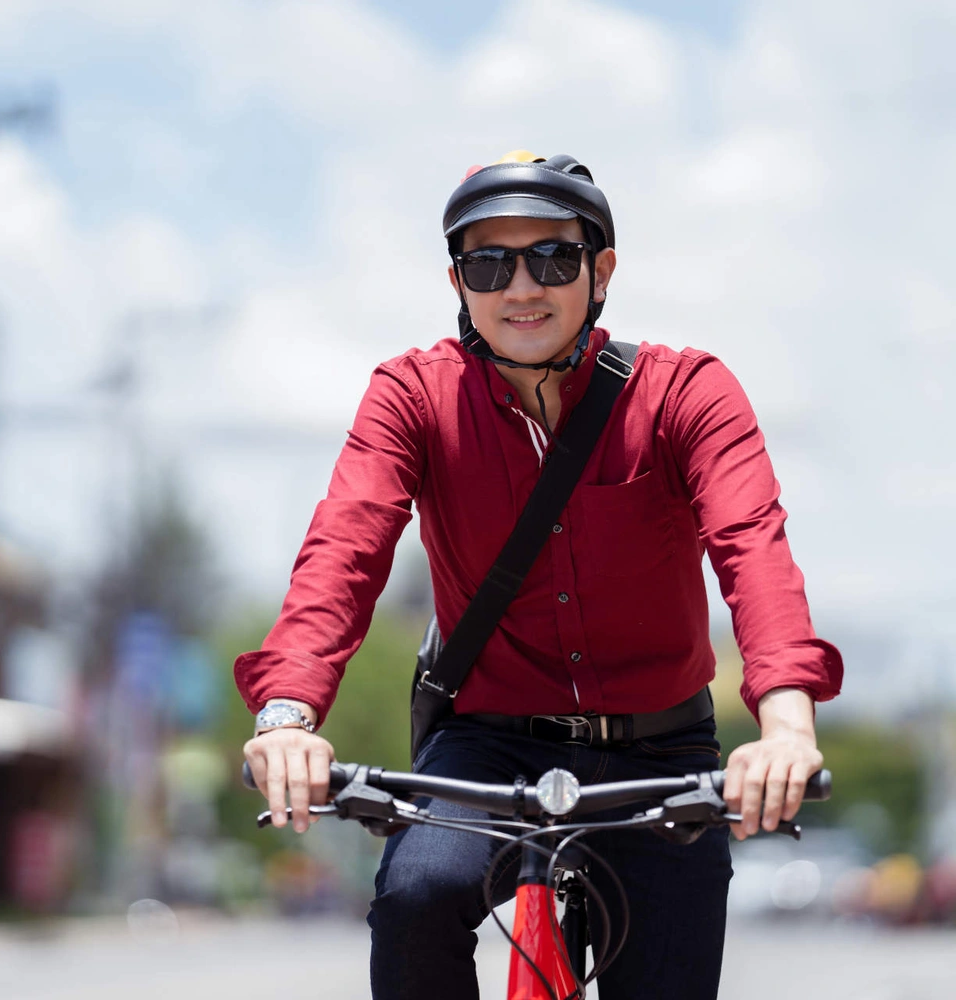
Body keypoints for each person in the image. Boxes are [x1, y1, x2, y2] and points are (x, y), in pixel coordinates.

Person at [236, 150, 843, 999]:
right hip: (485, 745)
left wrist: (785, 732)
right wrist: (287, 718)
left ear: (601, 271)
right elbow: (343, 551)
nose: (520, 287)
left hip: (662, 751)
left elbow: (755, 552)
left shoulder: (686, 394)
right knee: (417, 897)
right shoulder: (412, 395)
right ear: (459, 282)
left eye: (551, 258)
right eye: (489, 263)